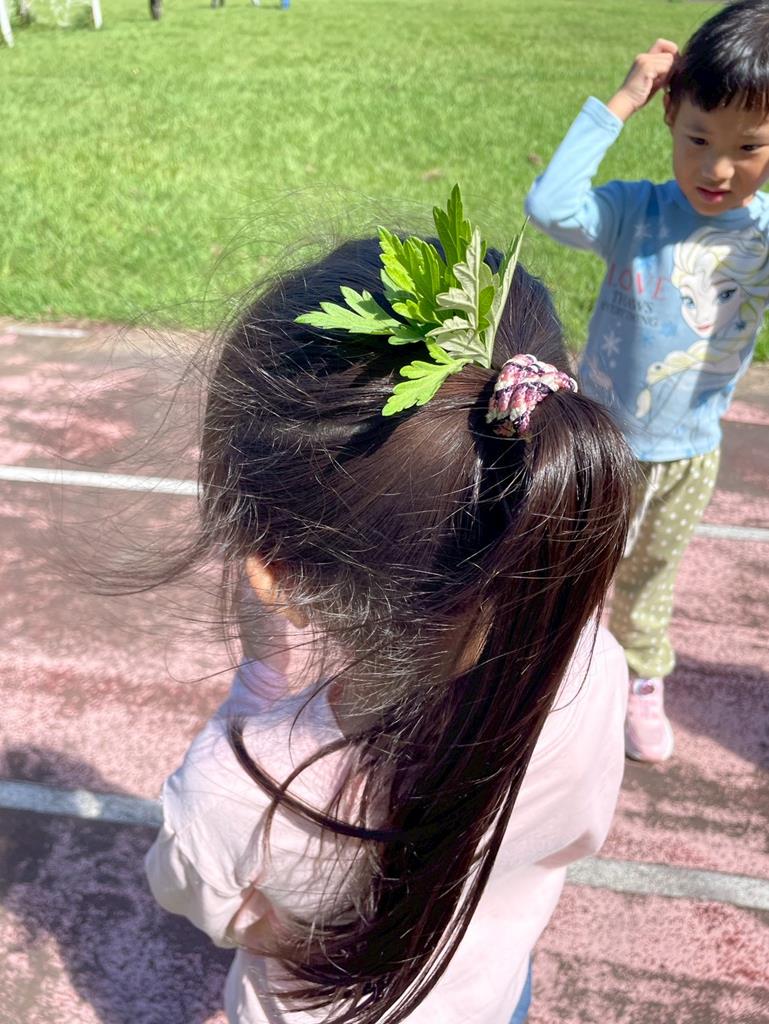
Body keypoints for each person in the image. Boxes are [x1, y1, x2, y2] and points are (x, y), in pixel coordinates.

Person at [142, 192, 635, 1024]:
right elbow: (576, 835)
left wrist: (257, 695)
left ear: (272, 574)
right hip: (491, 999)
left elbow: (197, 902)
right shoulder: (593, 665)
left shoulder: (238, 788)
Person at [525, 0, 769, 763]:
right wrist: (621, 100)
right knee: (566, 572)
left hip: (688, 455)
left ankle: (638, 677)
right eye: (697, 139)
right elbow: (550, 206)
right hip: (601, 447)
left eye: (748, 147)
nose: (716, 169)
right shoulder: (637, 212)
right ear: (669, 116)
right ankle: (547, 677)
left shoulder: (762, 236)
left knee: (650, 580)